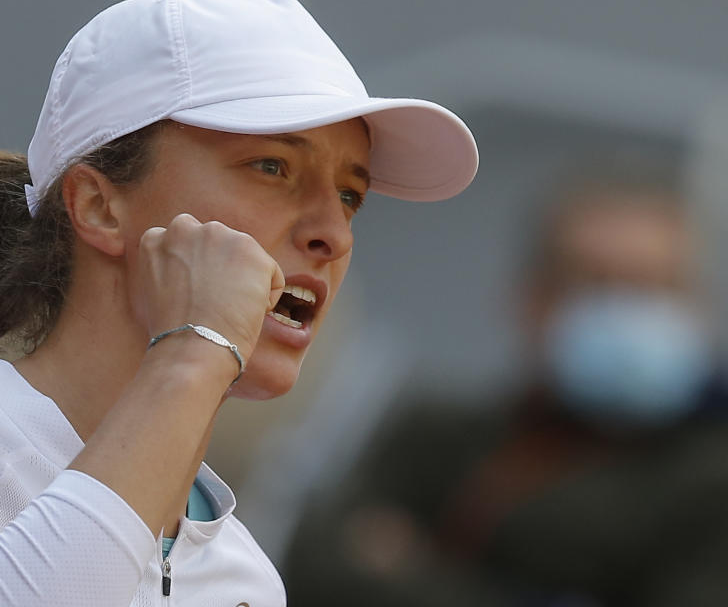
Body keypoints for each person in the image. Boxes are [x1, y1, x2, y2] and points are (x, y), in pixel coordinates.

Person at [0, 0, 478, 606]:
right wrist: (191, 355)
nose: (333, 232)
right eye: (272, 166)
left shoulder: (247, 579)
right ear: (99, 207)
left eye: (351, 195)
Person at [282, 179, 728, 606]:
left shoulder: (710, 481)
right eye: (594, 283)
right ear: (531, 296)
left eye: (650, 288)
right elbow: (311, 569)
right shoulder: (436, 431)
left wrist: (413, 572)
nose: (624, 311)